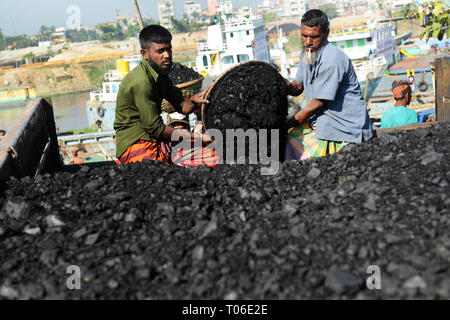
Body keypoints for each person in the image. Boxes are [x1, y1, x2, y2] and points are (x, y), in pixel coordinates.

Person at [114, 25, 212, 165]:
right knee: (159, 172)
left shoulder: (161, 75)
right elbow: (156, 128)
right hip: (135, 142)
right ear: (144, 54)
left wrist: (195, 101)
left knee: (207, 156)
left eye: (168, 49)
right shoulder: (142, 82)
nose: (167, 55)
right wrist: (198, 138)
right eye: (160, 51)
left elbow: (182, 106)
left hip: (154, 137)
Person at [284, 9, 373, 161]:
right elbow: (297, 87)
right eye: (304, 35)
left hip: (345, 126)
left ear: (326, 33)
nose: (307, 41)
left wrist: (283, 125)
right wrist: (276, 82)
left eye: (314, 37)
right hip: (322, 120)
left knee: (291, 149)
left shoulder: (332, 60)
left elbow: (316, 105)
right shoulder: (307, 52)